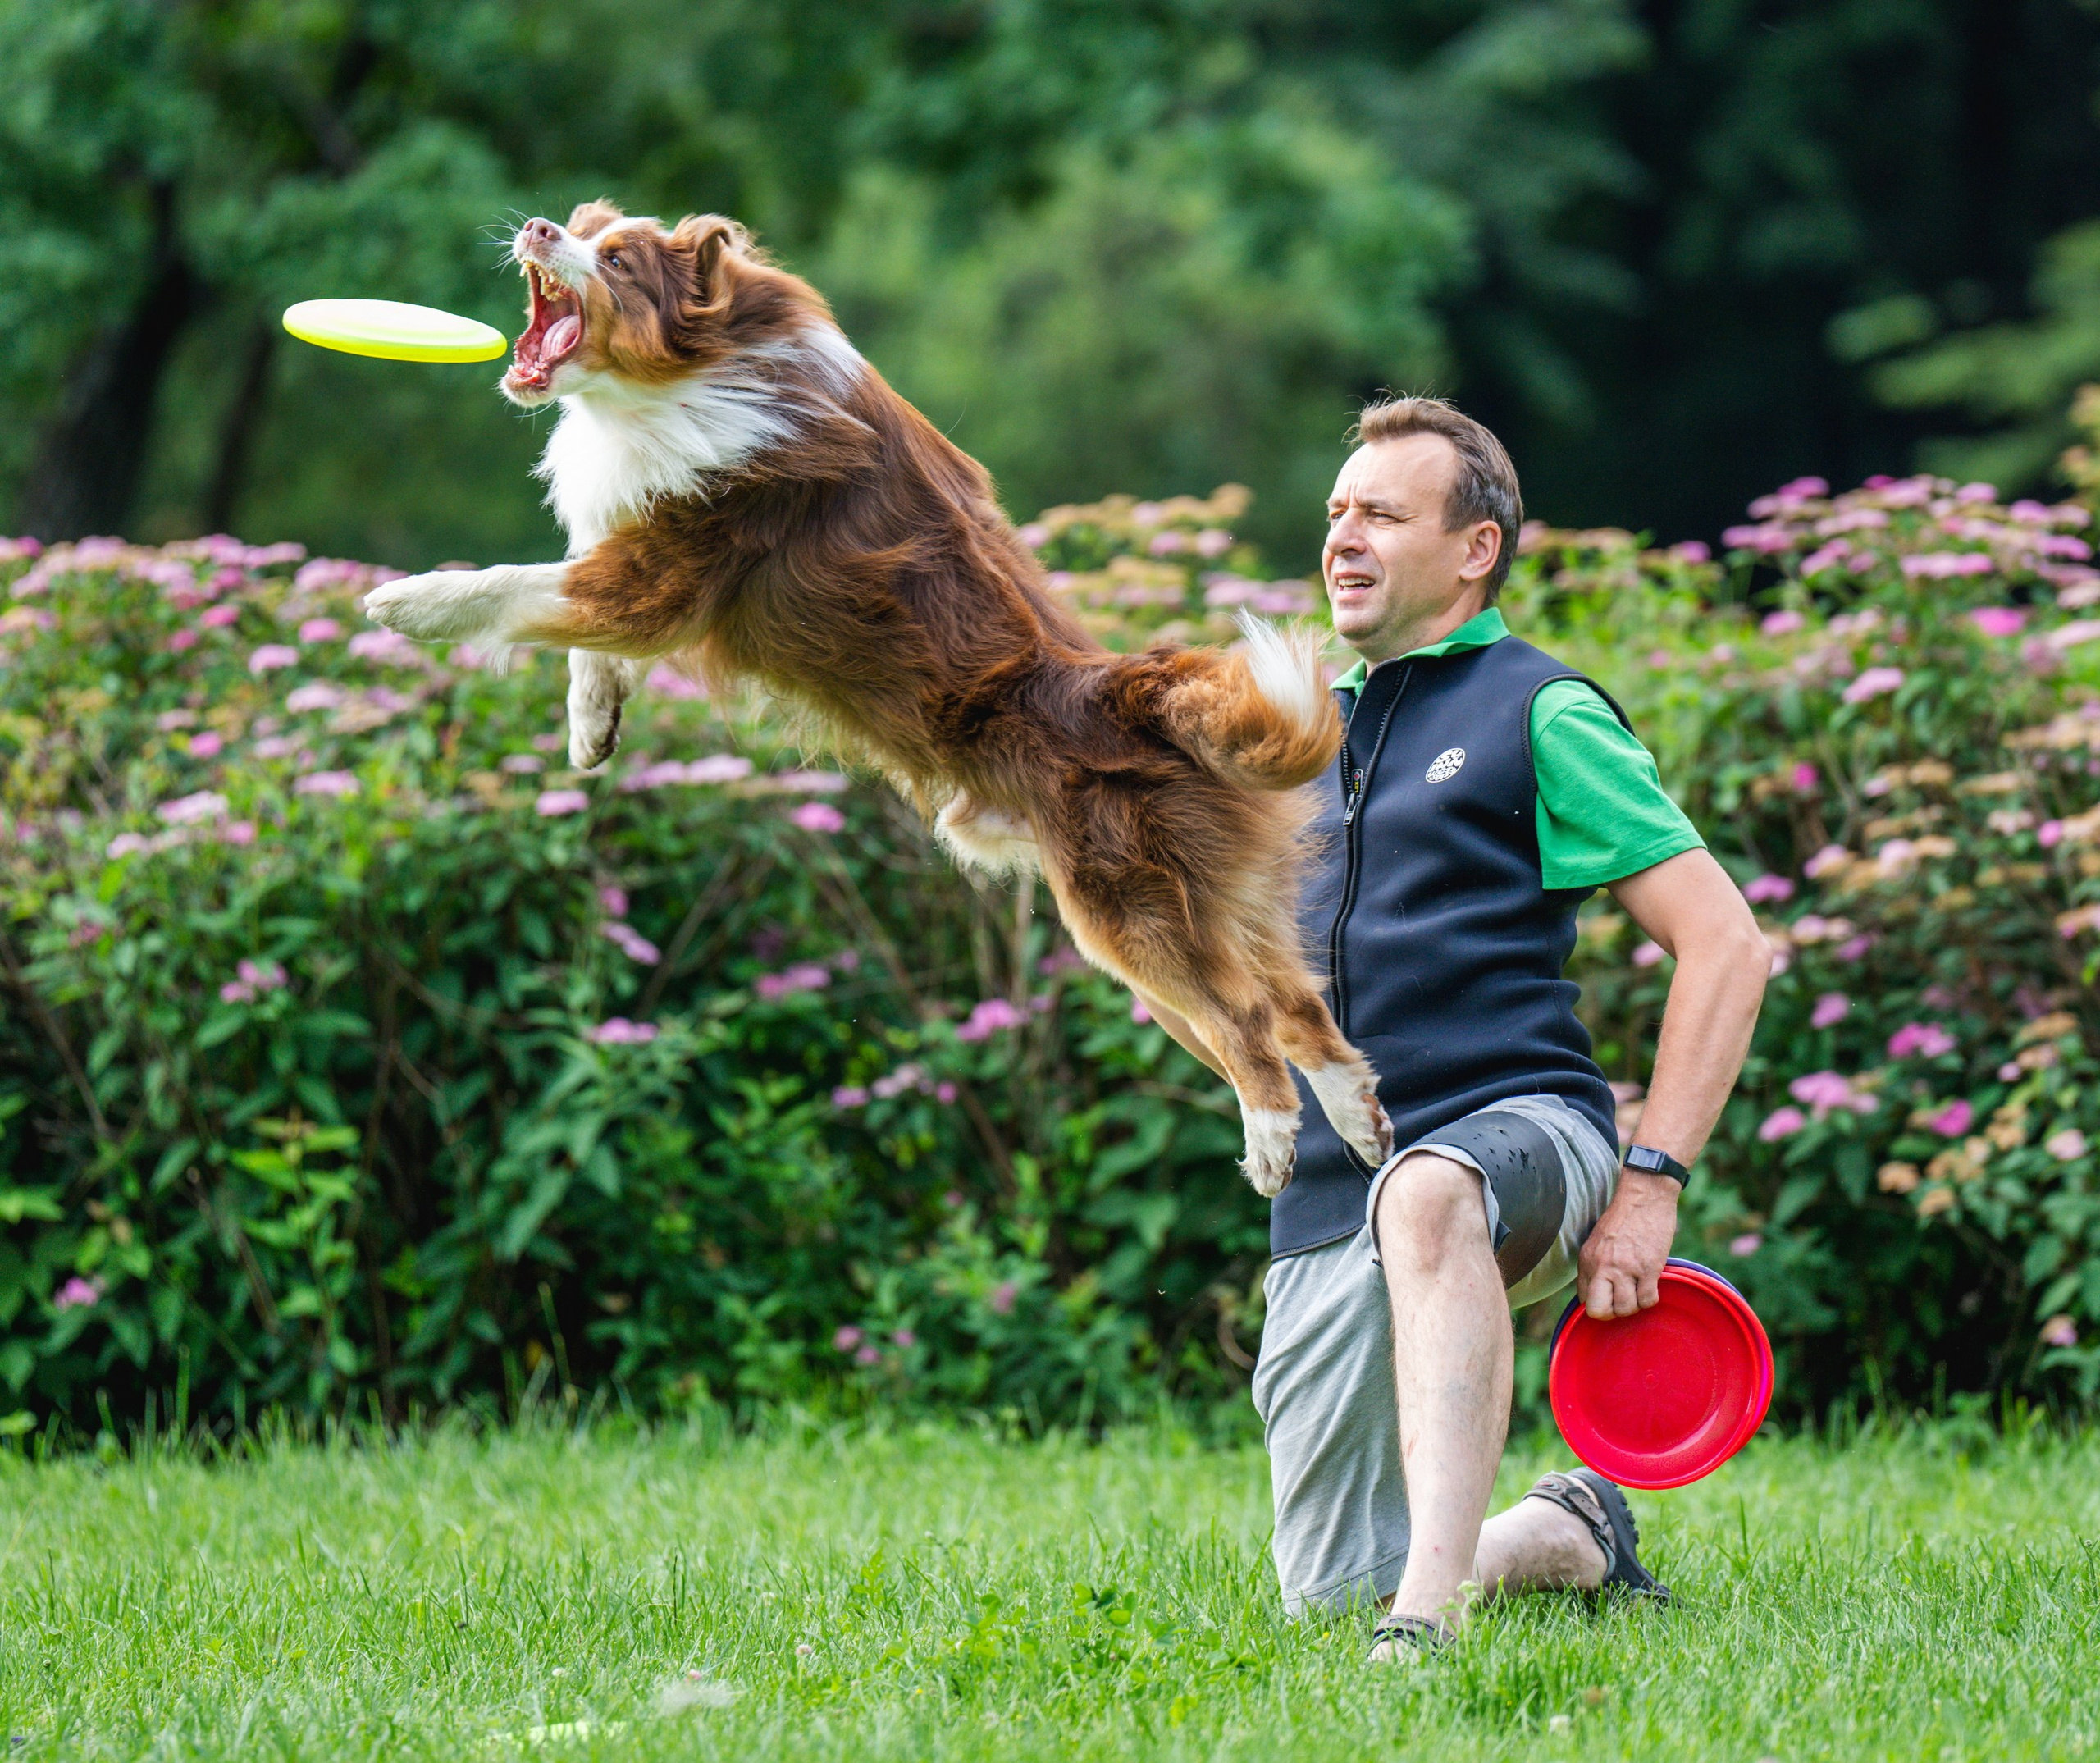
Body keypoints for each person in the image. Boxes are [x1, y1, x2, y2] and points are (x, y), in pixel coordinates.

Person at [1145, 395, 1770, 1653]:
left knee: (1428, 1193)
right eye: (1337, 513)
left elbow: (1727, 944)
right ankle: (1565, 1529)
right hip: (1332, 1186)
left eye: (1382, 514)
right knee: (1330, 1596)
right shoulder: (1287, 736)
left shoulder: (1539, 710)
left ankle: (1425, 1627)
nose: (1344, 538)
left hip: (1523, 1133)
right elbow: (1182, 975)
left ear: (1475, 547)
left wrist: (1652, 1182)